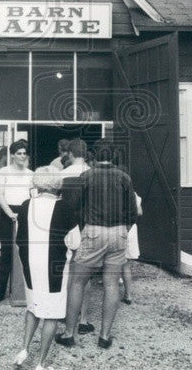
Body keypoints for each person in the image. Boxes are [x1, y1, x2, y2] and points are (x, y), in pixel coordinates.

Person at [56, 139, 137, 350]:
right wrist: (123, 230)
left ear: (93, 156)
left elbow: (75, 208)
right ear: (113, 156)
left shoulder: (86, 177)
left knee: (77, 282)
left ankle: (69, 333)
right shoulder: (124, 178)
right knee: (111, 283)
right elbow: (132, 212)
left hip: (93, 231)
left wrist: (85, 229)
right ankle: (104, 336)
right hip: (118, 232)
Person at [12, 168, 78, 370]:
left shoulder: (25, 205)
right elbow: (75, 242)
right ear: (57, 184)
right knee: (52, 313)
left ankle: (23, 350)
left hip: (30, 265)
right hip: (54, 267)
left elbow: (18, 238)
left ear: (37, 183)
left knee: (33, 306)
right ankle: (40, 364)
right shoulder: (65, 207)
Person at [58, 138, 94, 334]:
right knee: (85, 274)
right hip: (86, 226)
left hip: (65, 226)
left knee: (66, 271)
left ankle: (64, 312)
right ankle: (83, 318)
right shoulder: (92, 174)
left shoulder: (61, 174)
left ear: (70, 154)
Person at [0, 139, 33, 305]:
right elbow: (0, 196)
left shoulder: (31, 174)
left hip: (25, 215)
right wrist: (11, 215)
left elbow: (33, 195)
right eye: (19, 153)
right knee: (6, 254)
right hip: (8, 216)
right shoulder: (4, 172)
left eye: (24, 153)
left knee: (26, 253)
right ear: (13, 156)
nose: (22, 156)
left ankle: (25, 293)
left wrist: (23, 215)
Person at [122, 193, 143, 304]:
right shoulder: (133, 194)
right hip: (131, 227)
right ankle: (128, 294)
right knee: (125, 263)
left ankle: (113, 286)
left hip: (119, 227)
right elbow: (139, 212)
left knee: (112, 261)